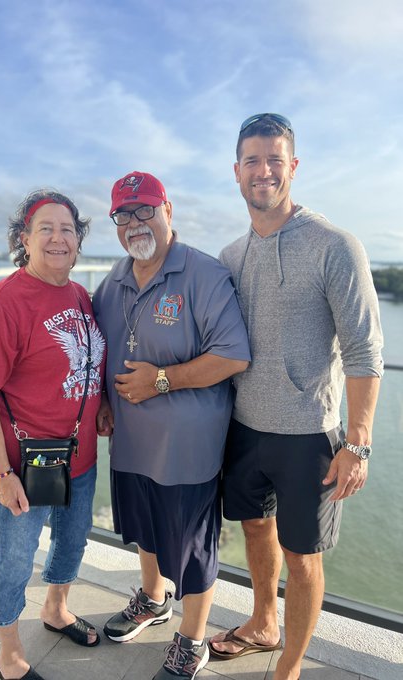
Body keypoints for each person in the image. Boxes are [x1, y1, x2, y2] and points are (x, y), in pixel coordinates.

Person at [208, 114, 384, 680]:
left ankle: (289, 665)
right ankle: (263, 622)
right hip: (243, 427)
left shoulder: (335, 245)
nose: (263, 171)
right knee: (256, 529)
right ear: (236, 172)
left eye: (274, 160)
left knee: (304, 557)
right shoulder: (230, 256)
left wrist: (358, 442)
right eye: (252, 161)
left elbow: (365, 350)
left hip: (310, 432)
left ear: (293, 167)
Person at [92, 171, 251, 680]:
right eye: (124, 214)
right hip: (131, 443)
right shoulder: (113, 279)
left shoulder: (203, 274)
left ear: (168, 210)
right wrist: (103, 401)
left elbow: (233, 355)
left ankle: (193, 639)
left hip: (188, 449)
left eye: (145, 210)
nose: (135, 223)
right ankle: (154, 600)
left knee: (193, 547)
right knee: (145, 532)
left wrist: (160, 380)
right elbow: (100, 350)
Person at [0, 190, 106, 680]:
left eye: (67, 229)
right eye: (46, 228)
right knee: (13, 559)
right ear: (25, 238)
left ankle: (56, 609)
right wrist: (1, 473)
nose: (58, 238)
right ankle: (9, 653)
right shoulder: (5, 301)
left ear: (79, 240)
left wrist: (98, 409)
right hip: (19, 466)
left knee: (71, 543)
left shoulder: (79, 295)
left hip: (75, 457)